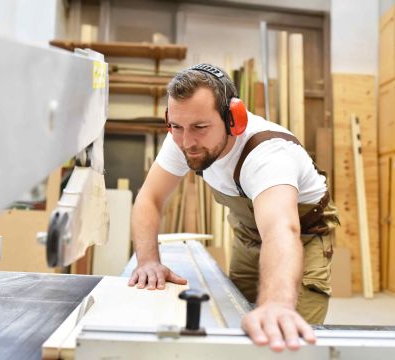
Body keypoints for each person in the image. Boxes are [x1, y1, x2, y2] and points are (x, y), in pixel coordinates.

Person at [128, 63, 339, 351]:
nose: (187, 142)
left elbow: (281, 230)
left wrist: (276, 304)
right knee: (233, 318)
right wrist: (148, 260)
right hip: (248, 235)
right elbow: (149, 198)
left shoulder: (268, 154)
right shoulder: (184, 137)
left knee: (287, 340)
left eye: (200, 127)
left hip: (301, 238)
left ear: (233, 119)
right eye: (176, 126)